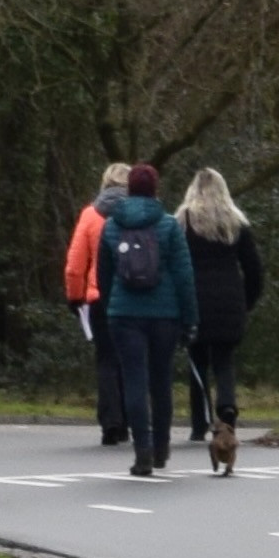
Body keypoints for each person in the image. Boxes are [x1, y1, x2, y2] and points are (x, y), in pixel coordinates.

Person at [97, 161, 197, 475]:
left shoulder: (111, 226)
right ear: (155, 189)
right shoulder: (169, 226)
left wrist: (111, 305)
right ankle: (161, 448)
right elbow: (184, 275)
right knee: (161, 380)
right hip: (165, 315)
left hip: (124, 314)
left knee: (134, 380)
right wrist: (190, 319)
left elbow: (103, 275)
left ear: (129, 189)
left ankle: (142, 450)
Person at [176, 166, 269, 477]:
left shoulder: (183, 222)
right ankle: (227, 409)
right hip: (230, 300)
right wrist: (247, 301)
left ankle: (200, 422)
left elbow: (174, 265)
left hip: (195, 299)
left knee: (197, 361)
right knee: (225, 361)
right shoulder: (235, 223)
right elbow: (254, 269)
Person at [64, 163, 135, 443]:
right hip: (136, 295)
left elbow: (75, 265)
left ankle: (111, 423)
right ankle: (131, 418)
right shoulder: (143, 215)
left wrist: (75, 296)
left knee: (106, 359)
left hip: (100, 296)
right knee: (132, 359)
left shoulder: (91, 215)